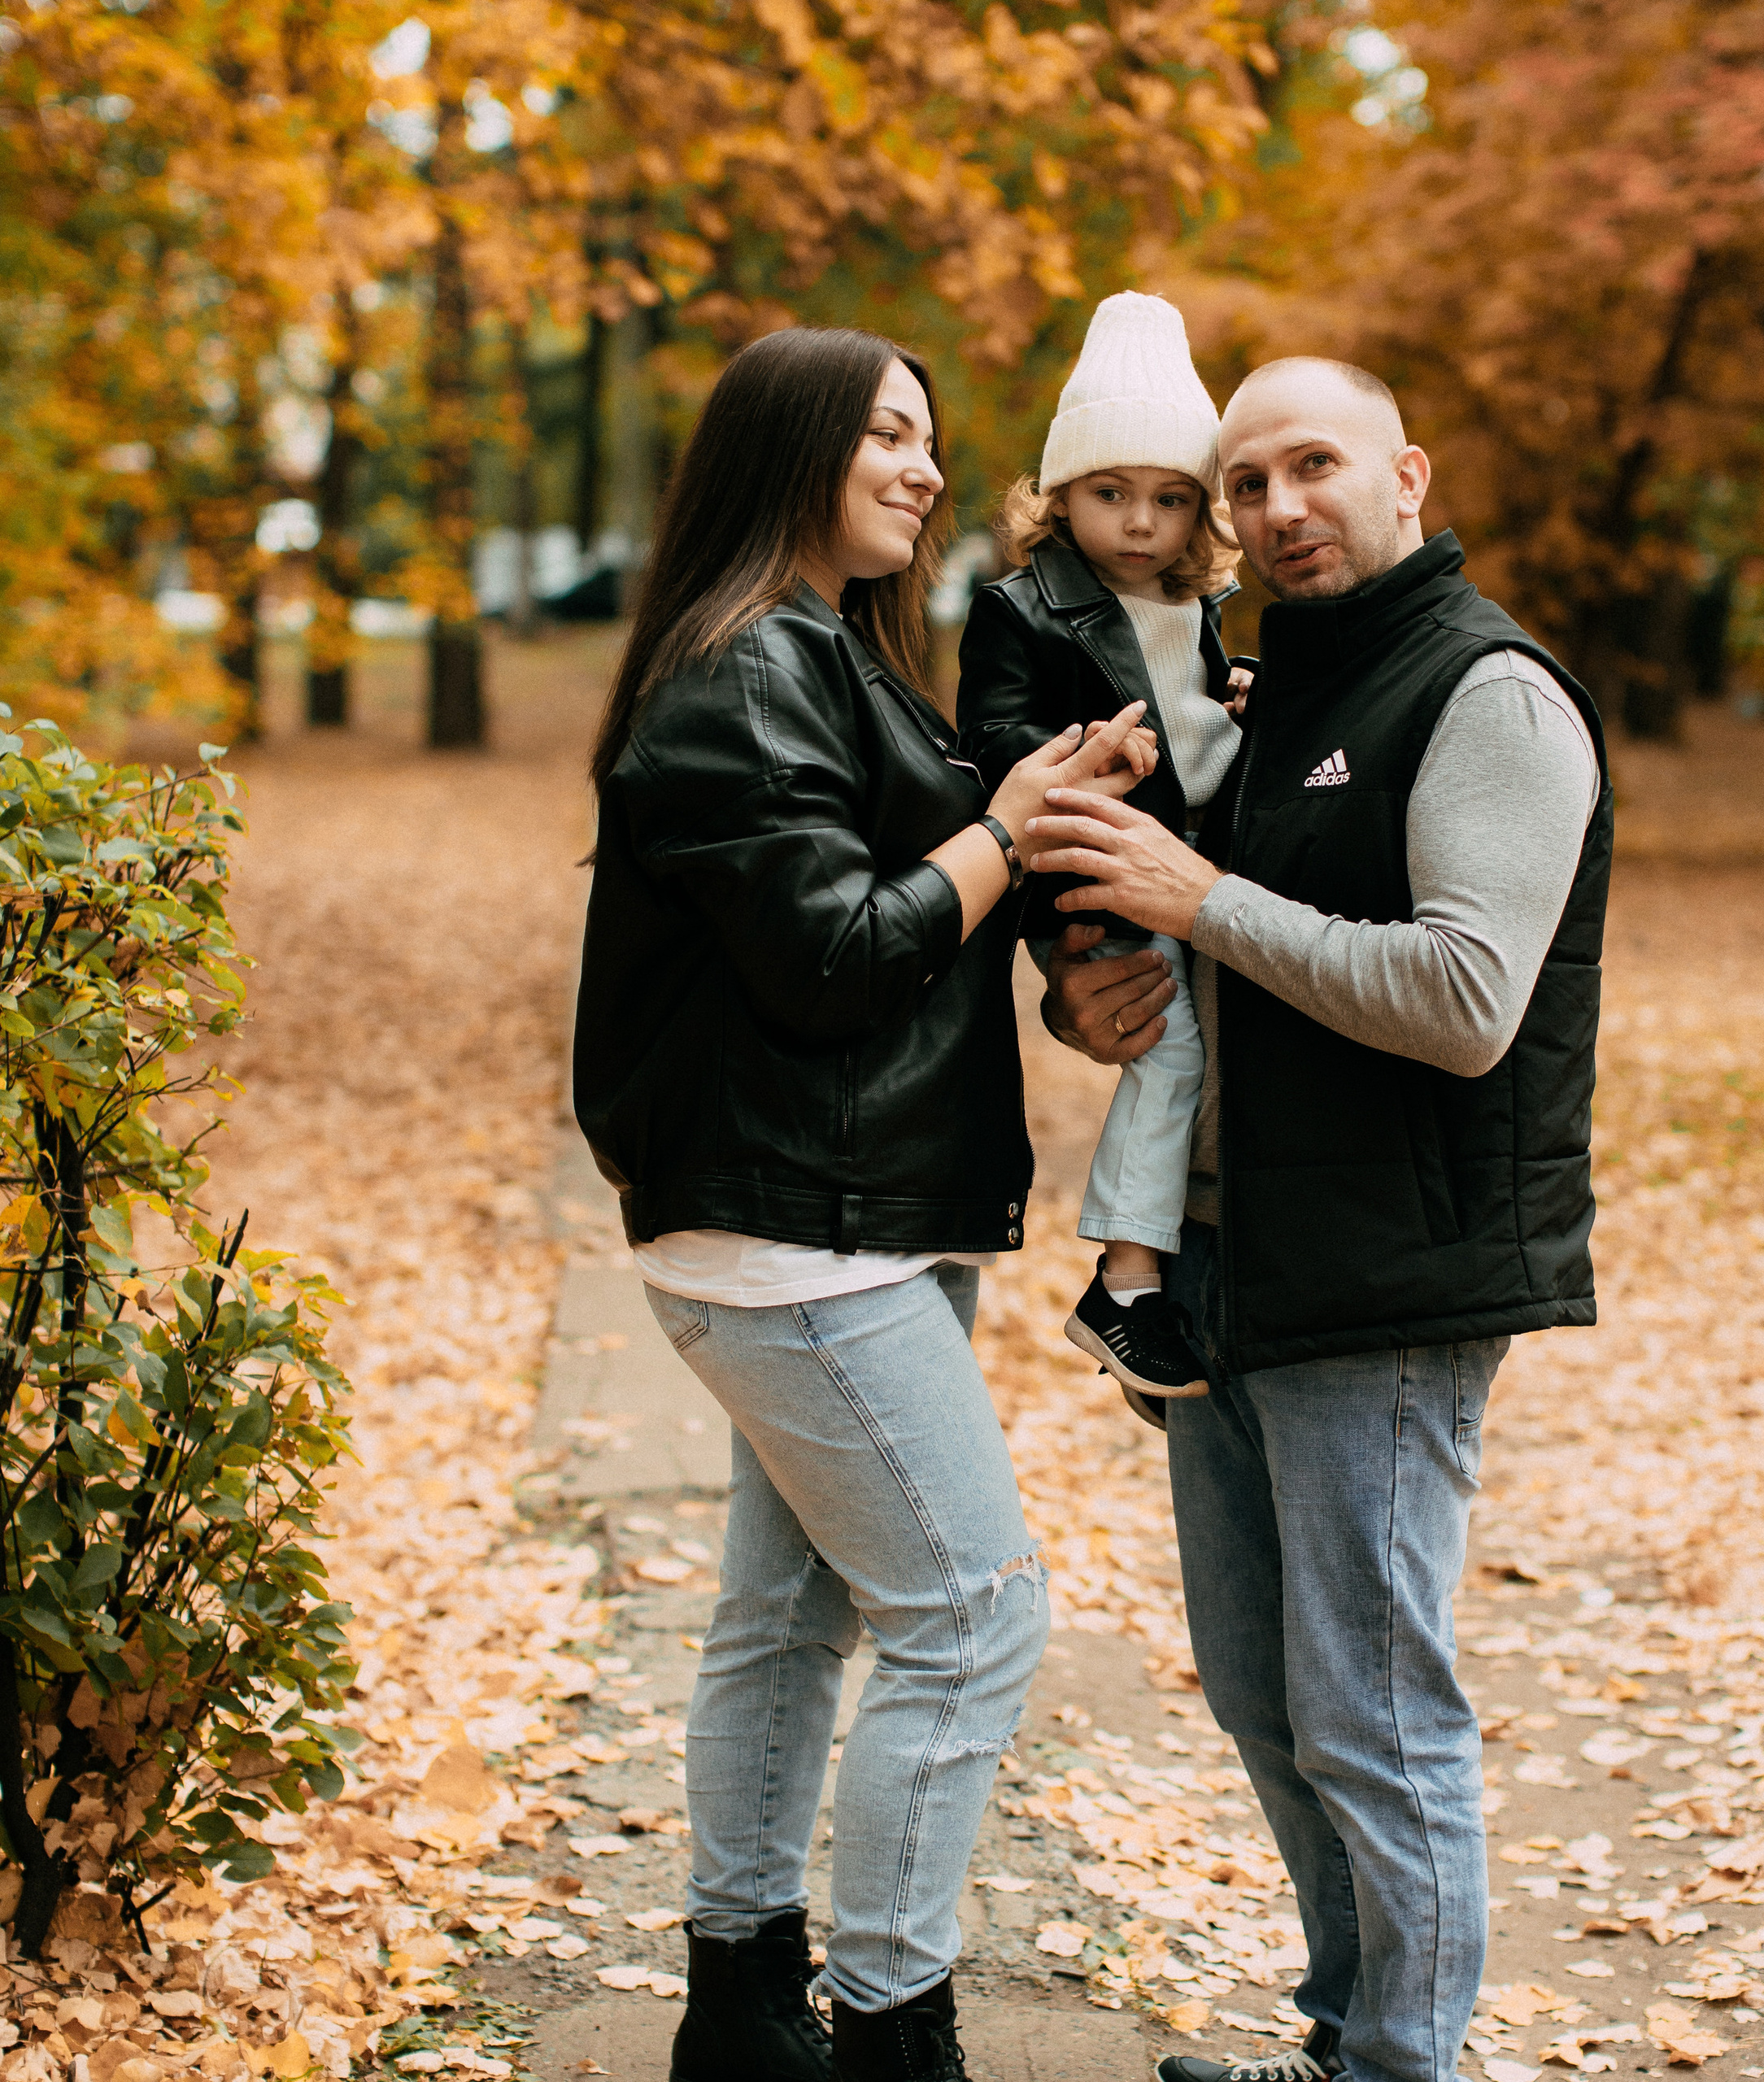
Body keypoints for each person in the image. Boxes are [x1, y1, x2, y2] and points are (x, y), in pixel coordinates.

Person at [572, 326, 1152, 2082]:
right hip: (792, 1233)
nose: (918, 466)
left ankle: (741, 1999)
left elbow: (903, 918)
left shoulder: (827, 655)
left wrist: (1042, 908)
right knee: (974, 1615)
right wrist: (1008, 820)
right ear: (791, 448)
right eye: (883, 436)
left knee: (790, 1613)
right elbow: (833, 954)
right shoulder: (745, 672)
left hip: (838, 1212)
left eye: (927, 437)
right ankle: (891, 2026)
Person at [1024, 358, 1614, 2082]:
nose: (1277, 507)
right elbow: (1199, 957)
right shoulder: (1266, 697)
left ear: (1405, 474)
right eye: (1245, 483)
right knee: (1263, 1693)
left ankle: (1398, 2063)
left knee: (1371, 1708)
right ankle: (1352, 2029)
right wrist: (1095, 992)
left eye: (1313, 465)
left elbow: (1459, 996)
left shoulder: (1487, 691)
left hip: (1389, 1273)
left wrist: (1202, 896)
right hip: (1230, 1262)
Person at [957, 292, 1248, 1414]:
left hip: (1194, 868)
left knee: (1204, 1054)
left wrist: (1245, 704)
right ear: (1060, 494)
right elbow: (991, 744)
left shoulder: (1200, 608)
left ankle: (1161, 1264)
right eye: (1111, 494)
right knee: (1170, 1054)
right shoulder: (1023, 609)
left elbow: (1205, 732)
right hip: (1099, 866)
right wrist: (1082, 756)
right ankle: (1125, 1279)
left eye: (1171, 500)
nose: (1140, 523)